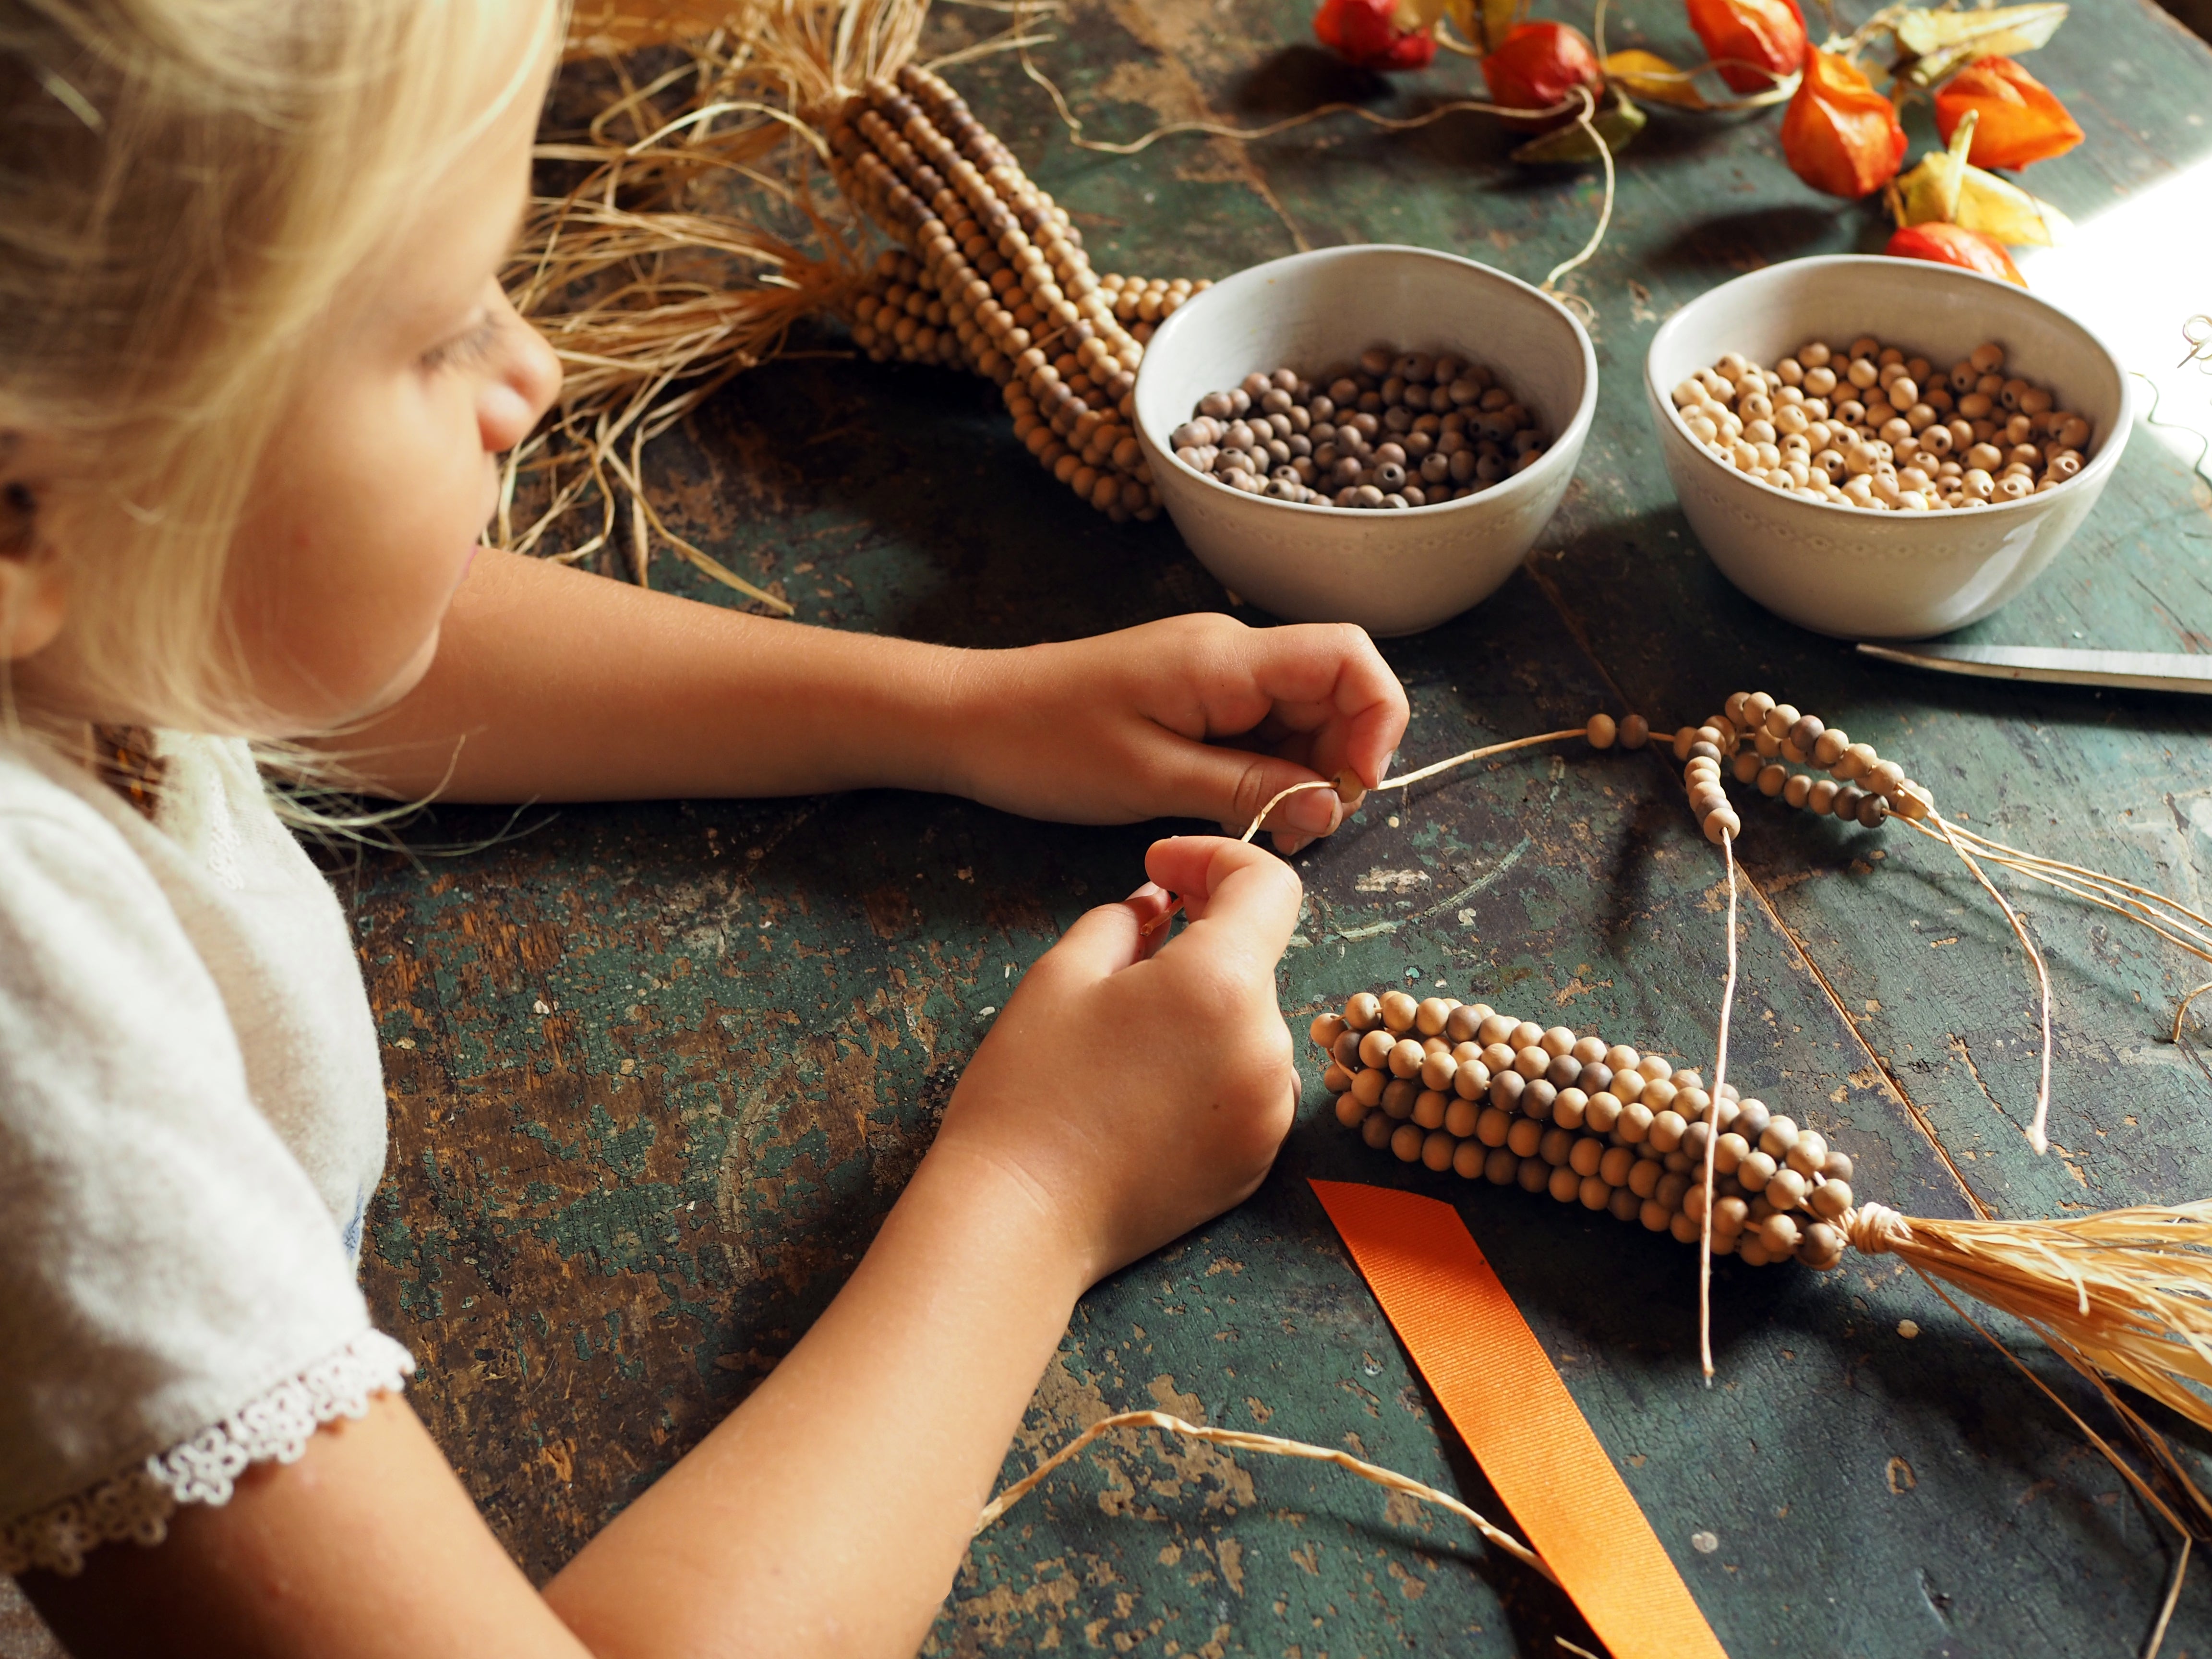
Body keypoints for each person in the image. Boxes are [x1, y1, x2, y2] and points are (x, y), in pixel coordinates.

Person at [0, 4, 1410, 1654]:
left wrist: (955, 711)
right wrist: (1039, 1191)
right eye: (440, 331)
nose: (529, 374)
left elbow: (264, 623)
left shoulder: (87, 569)